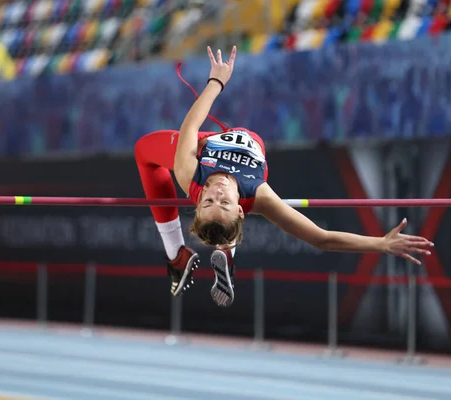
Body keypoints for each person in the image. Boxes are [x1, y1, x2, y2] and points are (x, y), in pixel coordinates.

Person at [134, 46, 434, 308]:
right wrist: (380, 244)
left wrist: (215, 82)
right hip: (246, 144)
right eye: (223, 202)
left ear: (198, 202)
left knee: (144, 151)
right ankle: (225, 248)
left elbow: (191, 125)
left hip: (206, 143)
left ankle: (177, 255)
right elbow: (322, 239)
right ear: (239, 208)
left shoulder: (192, 178)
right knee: (224, 214)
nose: (218, 189)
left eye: (209, 200)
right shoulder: (260, 196)